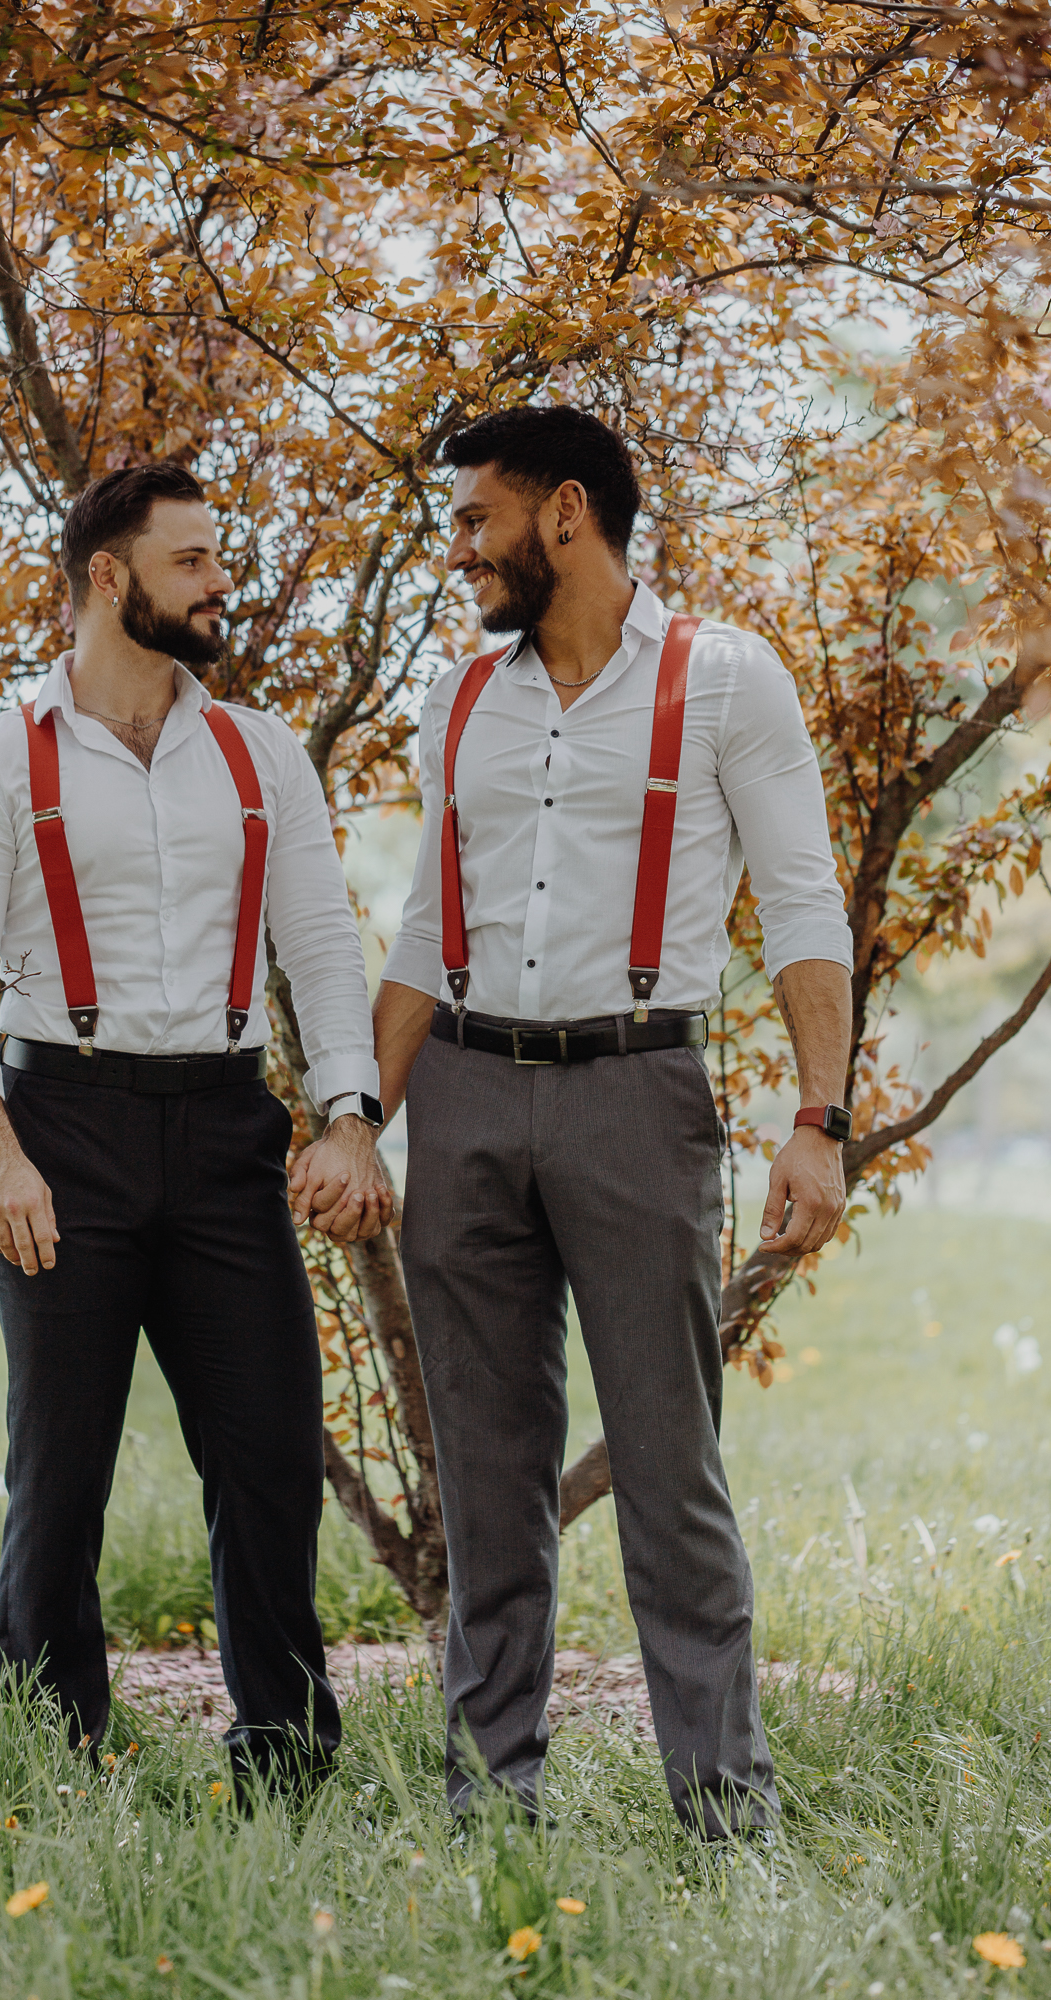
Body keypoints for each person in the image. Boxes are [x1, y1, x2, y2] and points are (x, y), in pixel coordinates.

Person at [372, 406, 854, 1836]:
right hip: (457, 1094)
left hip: (637, 1095)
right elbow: (418, 928)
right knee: (485, 1470)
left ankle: (725, 1818)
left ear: (565, 513)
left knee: (667, 1468)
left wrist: (817, 1119)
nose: (456, 548)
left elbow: (806, 906)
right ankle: (484, 1809)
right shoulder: (455, 699)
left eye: (476, 519)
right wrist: (352, 1115)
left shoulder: (723, 680)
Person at [0, 462, 391, 1795]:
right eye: (190, 561)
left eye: (213, 559)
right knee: (57, 1478)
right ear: (108, 578)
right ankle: (45, 1758)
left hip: (229, 1132)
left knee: (270, 1459)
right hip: (62, 1126)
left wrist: (348, 1117)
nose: (216, 583)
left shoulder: (260, 752)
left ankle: (284, 1762)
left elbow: (324, 953)